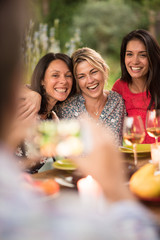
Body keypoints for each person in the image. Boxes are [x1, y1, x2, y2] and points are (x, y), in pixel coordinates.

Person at [0, 2, 159, 238]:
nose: (64, 82)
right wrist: (30, 92)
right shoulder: (46, 107)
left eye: (67, 76)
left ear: (104, 70)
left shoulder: (60, 117)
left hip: (108, 181)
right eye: (57, 76)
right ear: (41, 81)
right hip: (65, 189)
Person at [53, 47, 126, 145]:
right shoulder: (64, 107)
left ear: (103, 69)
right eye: (82, 76)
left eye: (94, 72)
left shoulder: (118, 101)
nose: (90, 80)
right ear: (76, 81)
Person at [112, 29, 160, 143]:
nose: (135, 61)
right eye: (129, 54)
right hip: (136, 156)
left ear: (152, 57)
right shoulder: (119, 87)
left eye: (142, 55)